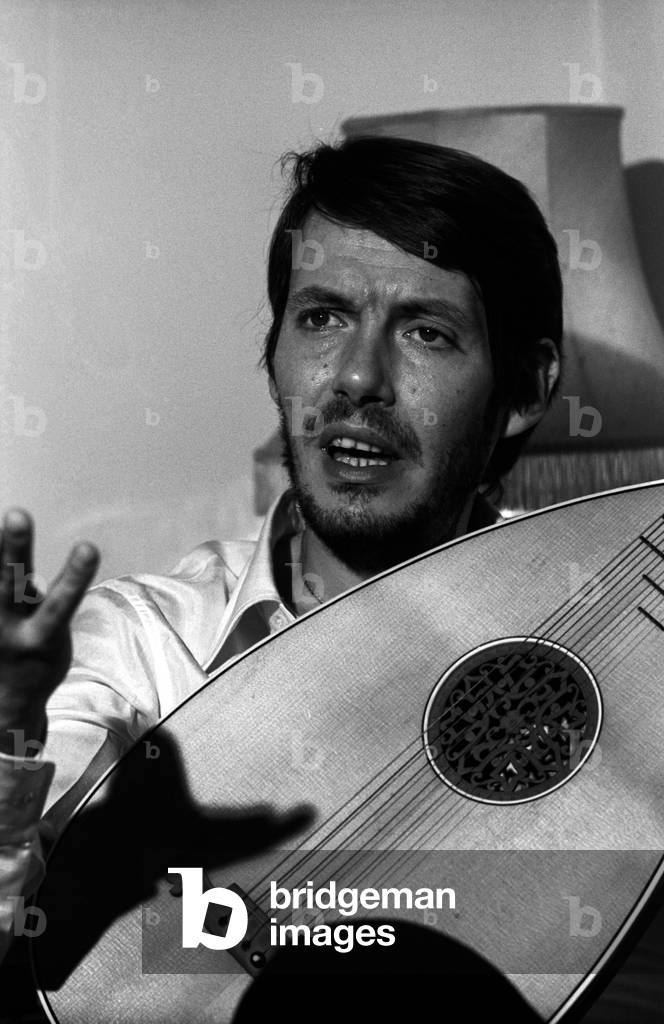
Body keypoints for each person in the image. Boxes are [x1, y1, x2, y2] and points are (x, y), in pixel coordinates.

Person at [0, 136, 561, 988]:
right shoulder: (146, 650)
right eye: (322, 317)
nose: (358, 378)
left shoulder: (600, 617)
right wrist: (9, 735)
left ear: (523, 389)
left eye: (427, 331)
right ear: (275, 356)